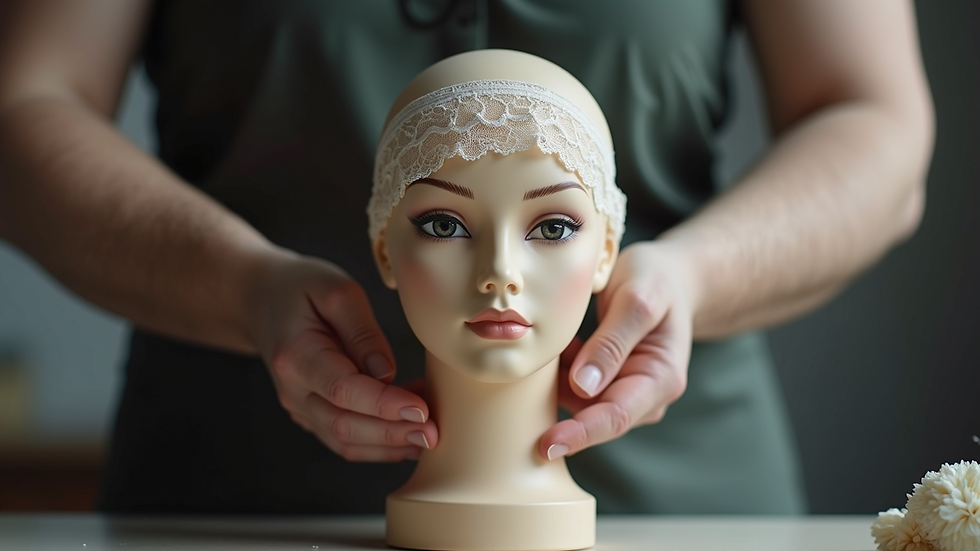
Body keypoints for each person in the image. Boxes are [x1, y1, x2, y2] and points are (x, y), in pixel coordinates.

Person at [0, 1, 933, 514]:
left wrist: (695, 272)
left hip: (679, 501)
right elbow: (26, 102)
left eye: (557, 229)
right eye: (443, 228)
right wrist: (244, 285)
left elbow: (874, 118)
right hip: (239, 491)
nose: (499, 270)